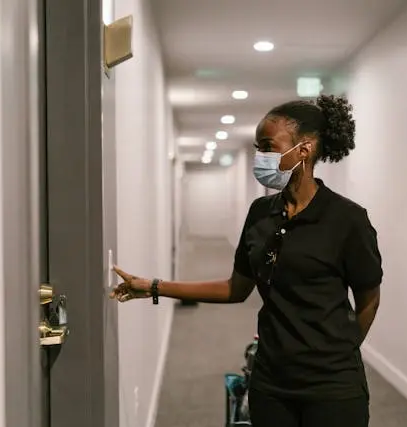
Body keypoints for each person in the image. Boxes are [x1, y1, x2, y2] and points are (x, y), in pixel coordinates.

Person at [110, 94, 383, 427]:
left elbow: (369, 299)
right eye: (258, 148)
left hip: (332, 386)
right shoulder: (260, 214)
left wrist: (342, 350)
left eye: (268, 146)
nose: (261, 156)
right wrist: (154, 286)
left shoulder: (347, 220)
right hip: (271, 379)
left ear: (304, 149)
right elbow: (235, 288)